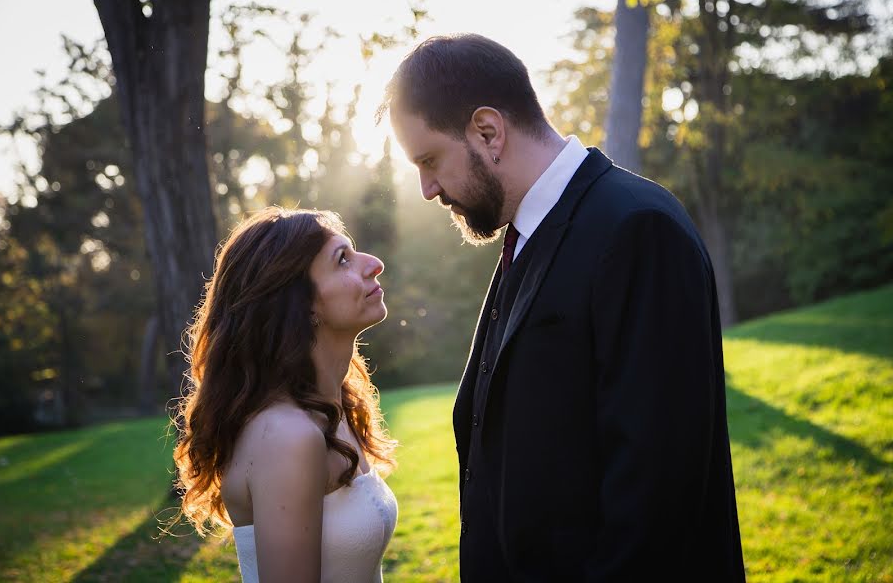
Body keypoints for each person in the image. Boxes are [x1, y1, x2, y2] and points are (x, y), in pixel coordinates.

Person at [378, 33, 745, 581]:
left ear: (488, 130)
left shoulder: (636, 228)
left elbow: (655, 498)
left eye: (429, 160)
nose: (427, 188)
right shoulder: (525, 237)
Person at [172, 207, 398, 583]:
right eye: (342, 259)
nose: (373, 264)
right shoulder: (286, 436)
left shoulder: (336, 407)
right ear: (300, 304)